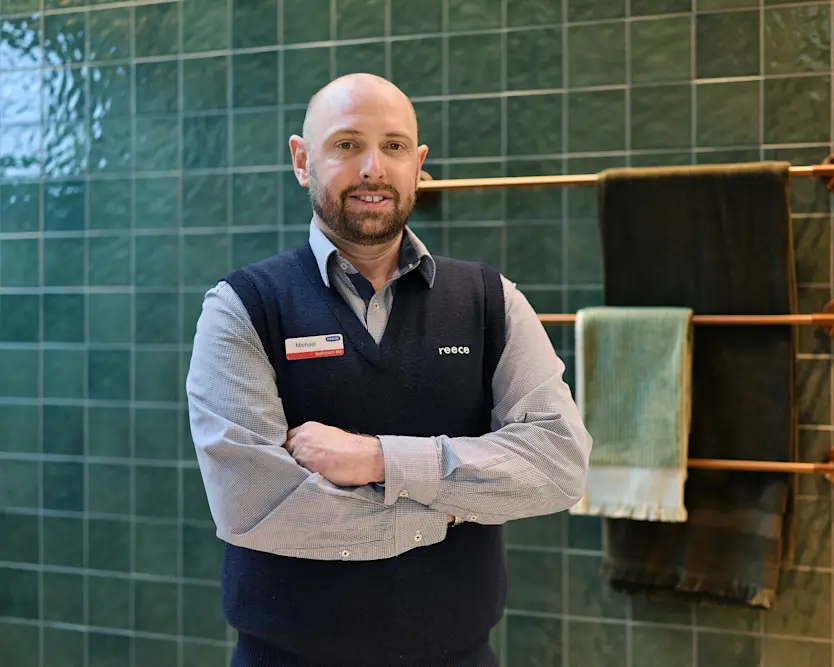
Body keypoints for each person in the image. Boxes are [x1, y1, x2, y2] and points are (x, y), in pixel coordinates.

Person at [185, 73, 592, 667]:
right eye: (346, 145)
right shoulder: (243, 307)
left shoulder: (489, 300)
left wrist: (380, 461)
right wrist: (449, 506)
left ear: (418, 163)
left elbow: (560, 464)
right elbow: (258, 509)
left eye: (394, 146)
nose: (373, 167)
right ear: (302, 160)